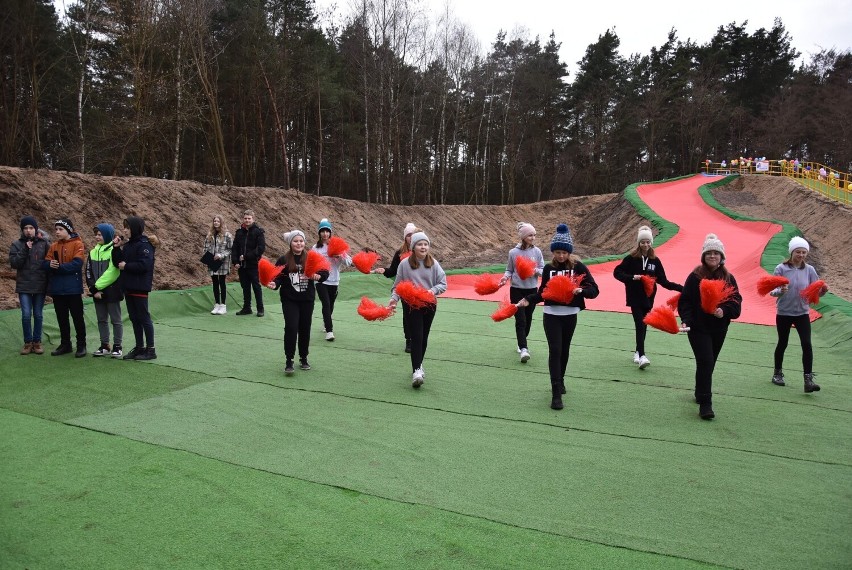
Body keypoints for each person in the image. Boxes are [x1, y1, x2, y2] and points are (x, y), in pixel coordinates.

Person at [517, 224, 599, 410]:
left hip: (570, 315)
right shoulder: (548, 269)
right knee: (555, 350)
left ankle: (560, 379)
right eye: (557, 252)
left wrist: (581, 290)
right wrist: (528, 300)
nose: (561, 256)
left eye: (564, 252)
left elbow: (594, 290)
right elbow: (542, 293)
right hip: (551, 315)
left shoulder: (578, 268)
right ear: (553, 252)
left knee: (564, 350)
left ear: (569, 252)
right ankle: (555, 393)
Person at [678, 234, 742, 420]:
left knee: (709, 363)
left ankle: (700, 391)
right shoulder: (695, 276)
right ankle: (706, 404)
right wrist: (686, 320)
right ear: (703, 256)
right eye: (709, 253)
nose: (712, 256)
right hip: (698, 328)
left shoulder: (728, 278)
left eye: (716, 253)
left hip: (719, 328)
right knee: (705, 361)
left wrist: (724, 310)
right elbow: (686, 301)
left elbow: (736, 301)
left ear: (722, 257)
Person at [613, 225, 683, 369]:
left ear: (651, 243)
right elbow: (617, 272)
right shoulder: (631, 258)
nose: (645, 244)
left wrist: (682, 288)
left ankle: (638, 352)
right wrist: (633, 277)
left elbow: (664, 281)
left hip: (648, 298)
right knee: (640, 323)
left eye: (648, 242)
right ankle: (642, 356)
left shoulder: (655, 261)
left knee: (644, 325)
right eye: (643, 242)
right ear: (638, 243)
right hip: (634, 297)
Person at [388, 231, 447, 389]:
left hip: (429, 304)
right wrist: (394, 299)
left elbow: (443, 284)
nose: (423, 247)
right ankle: (416, 371)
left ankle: (419, 365)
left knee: (424, 336)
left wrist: (432, 291)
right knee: (416, 336)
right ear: (413, 247)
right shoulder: (404, 264)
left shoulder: (433, 263)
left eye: (426, 244)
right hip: (411, 305)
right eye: (420, 244)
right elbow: (398, 286)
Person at [769, 236, 827, 392]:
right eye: (798, 252)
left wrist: (822, 292)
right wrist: (780, 291)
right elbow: (772, 292)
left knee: (807, 345)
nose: (801, 255)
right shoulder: (781, 269)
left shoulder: (810, 270)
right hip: (784, 313)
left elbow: (815, 294)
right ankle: (777, 374)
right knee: (783, 343)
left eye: (803, 252)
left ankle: (808, 380)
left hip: (802, 313)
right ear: (791, 252)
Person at [268, 230, 329, 375]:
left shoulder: (312, 257)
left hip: (307, 300)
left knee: (304, 328)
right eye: (295, 241)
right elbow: (278, 276)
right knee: (291, 327)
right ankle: (289, 360)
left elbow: (325, 272)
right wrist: (274, 284)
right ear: (290, 243)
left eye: (301, 241)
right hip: (290, 300)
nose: (299, 243)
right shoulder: (284, 259)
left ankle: (303, 357)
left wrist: (318, 276)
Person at [498, 222, 544, 363]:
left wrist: (534, 270)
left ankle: (521, 341)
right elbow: (509, 269)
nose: (533, 238)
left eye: (534, 235)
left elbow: (543, 268)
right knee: (521, 319)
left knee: (528, 318)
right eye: (530, 235)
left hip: (532, 290)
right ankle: (524, 348)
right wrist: (505, 277)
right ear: (523, 237)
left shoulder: (537, 252)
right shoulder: (513, 252)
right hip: (516, 290)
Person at [114, 216, 158, 360]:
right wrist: (116, 248)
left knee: (143, 317)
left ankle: (151, 349)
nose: (125, 230)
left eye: (127, 227)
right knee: (134, 318)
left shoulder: (145, 245)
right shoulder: (128, 245)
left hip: (140, 286)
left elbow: (144, 265)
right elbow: (117, 262)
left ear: (134, 228)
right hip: (129, 286)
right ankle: (139, 347)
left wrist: (126, 266)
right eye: (124, 227)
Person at [43, 218, 87, 357]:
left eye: (60, 229)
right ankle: (65, 344)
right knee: (62, 318)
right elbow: (45, 263)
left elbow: (77, 264)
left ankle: (81, 345)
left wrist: (58, 268)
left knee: (77, 318)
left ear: (68, 230)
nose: (57, 232)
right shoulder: (54, 246)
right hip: (57, 289)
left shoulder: (78, 244)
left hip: (73, 289)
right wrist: (49, 265)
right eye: (56, 229)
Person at [374, 222, 420, 353]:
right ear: (405, 237)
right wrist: (384, 270)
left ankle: (418, 338)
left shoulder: (421, 249)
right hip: (405, 290)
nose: (411, 237)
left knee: (419, 316)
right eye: (408, 235)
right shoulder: (400, 253)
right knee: (407, 316)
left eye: (413, 234)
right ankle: (409, 340)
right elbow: (393, 270)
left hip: (420, 289)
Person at [9, 216, 50, 355]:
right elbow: (15, 263)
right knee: (26, 315)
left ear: (36, 229)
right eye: (25, 228)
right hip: (24, 285)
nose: (28, 231)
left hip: (40, 285)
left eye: (31, 228)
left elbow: (49, 262)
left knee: (38, 314)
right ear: (22, 230)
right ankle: (28, 342)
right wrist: (25, 249)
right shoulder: (16, 244)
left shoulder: (44, 244)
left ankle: (37, 342)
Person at [86, 223, 124, 357]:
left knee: (116, 320)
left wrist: (96, 287)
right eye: (96, 234)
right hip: (97, 292)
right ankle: (104, 345)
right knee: (101, 320)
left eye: (100, 234)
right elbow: (88, 272)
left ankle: (118, 346)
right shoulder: (92, 252)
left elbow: (113, 272)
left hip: (112, 291)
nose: (97, 237)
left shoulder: (114, 250)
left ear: (107, 235)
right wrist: (93, 289)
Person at [312, 218, 351, 341]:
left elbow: (349, 262)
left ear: (330, 232)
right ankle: (329, 331)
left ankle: (326, 322)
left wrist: (340, 256)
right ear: (319, 233)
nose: (325, 234)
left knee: (331, 304)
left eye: (327, 231)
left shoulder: (337, 247)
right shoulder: (315, 248)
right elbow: (310, 262)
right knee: (326, 304)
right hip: (320, 280)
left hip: (334, 280)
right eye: (322, 231)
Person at [232, 209, 266, 317]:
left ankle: (260, 309)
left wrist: (246, 256)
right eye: (245, 218)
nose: (247, 220)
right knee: (245, 287)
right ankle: (247, 308)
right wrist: (235, 261)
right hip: (242, 266)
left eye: (249, 218)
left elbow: (260, 248)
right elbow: (235, 248)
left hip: (254, 265)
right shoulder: (239, 232)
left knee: (256, 287)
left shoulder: (259, 232)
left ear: (253, 219)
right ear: (243, 219)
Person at [203, 215, 233, 315]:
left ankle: (223, 305)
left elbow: (230, 249)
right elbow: (205, 247)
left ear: (221, 223)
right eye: (214, 221)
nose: (216, 222)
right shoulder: (209, 234)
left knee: (222, 282)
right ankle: (216, 304)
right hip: (212, 261)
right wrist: (207, 257)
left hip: (222, 262)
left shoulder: (227, 235)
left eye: (218, 221)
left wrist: (221, 255)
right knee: (215, 282)